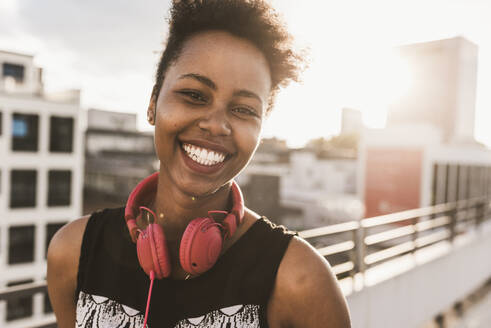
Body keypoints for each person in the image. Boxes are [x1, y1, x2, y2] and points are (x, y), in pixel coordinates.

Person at [47, 0, 351, 327]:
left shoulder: (301, 280)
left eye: (244, 110)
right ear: (152, 104)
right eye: (194, 95)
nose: (216, 125)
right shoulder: (72, 253)